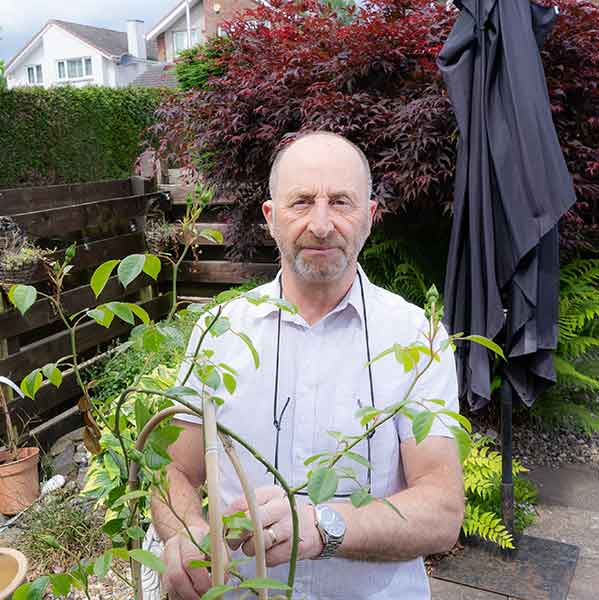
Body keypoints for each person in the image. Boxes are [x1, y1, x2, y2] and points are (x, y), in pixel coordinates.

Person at [149, 131, 464, 600]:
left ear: (370, 218)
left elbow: (441, 510)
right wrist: (185, 530)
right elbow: (169, 469)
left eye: (341, 202)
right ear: (271, 218)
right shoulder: (220, 331)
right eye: (301, 202)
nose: (321, 224)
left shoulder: (416, 337)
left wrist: (325, 527)